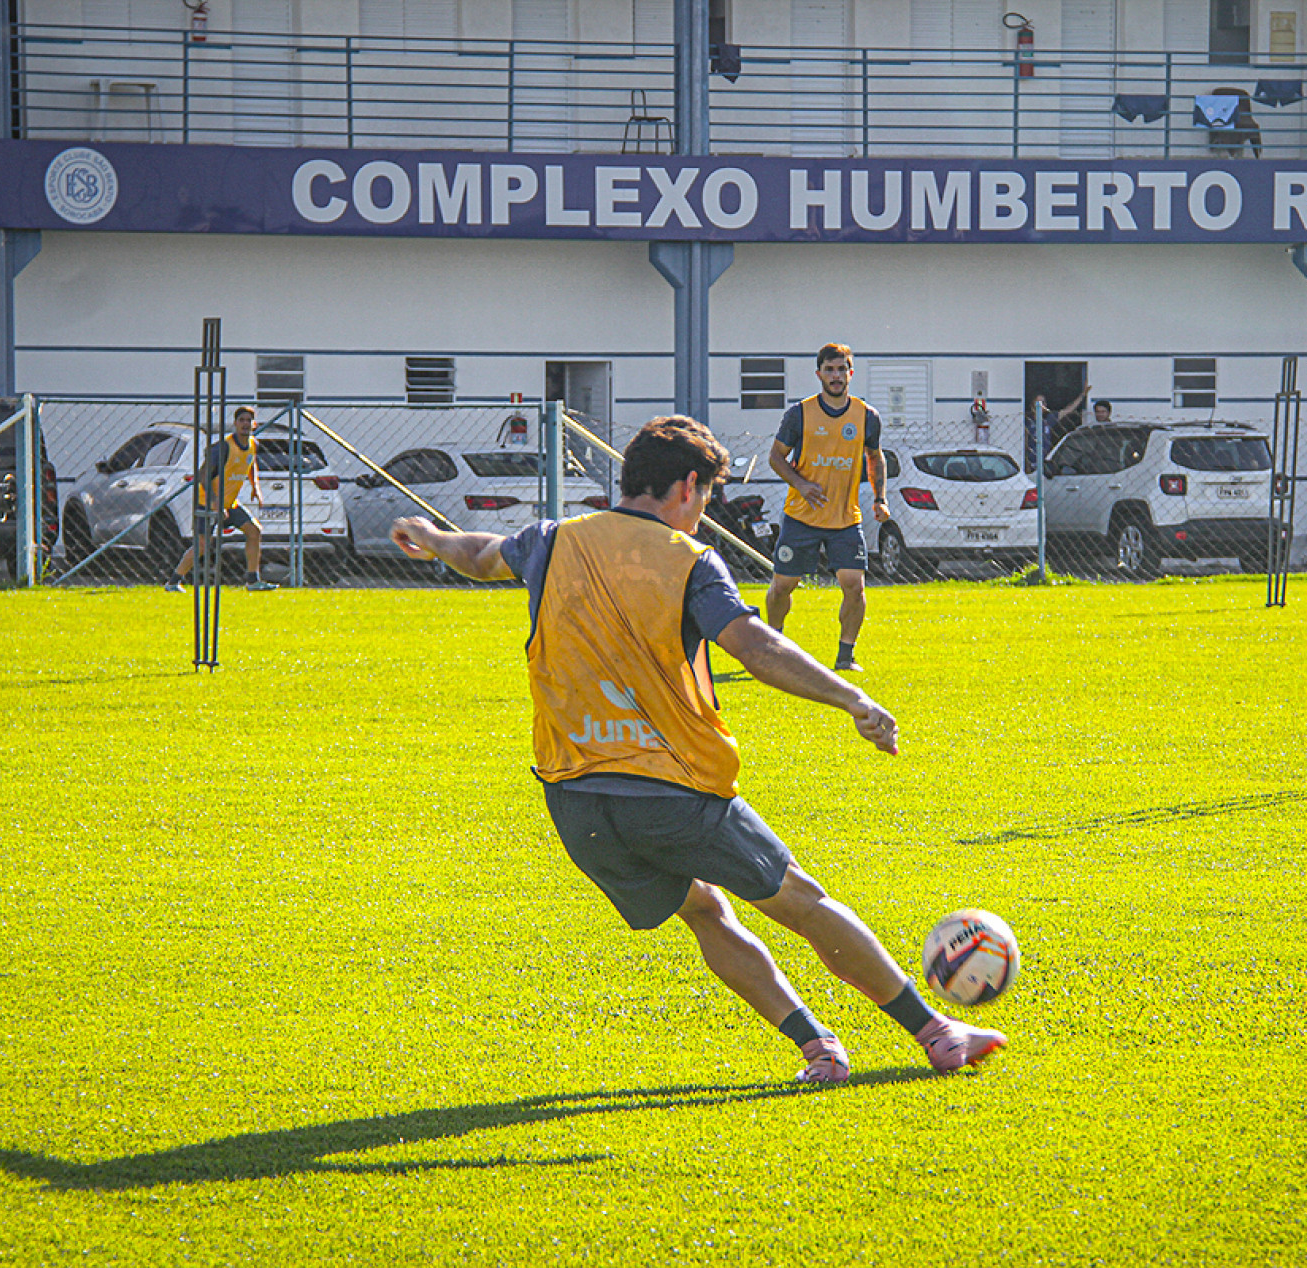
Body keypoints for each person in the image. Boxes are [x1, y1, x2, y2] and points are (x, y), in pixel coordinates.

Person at [387, 416, 1005, 1084]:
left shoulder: (553, 539)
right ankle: (938, 1033)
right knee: (802, 901)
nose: (702, 510)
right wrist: (853, 699)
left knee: (704, 911)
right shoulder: (688, 560)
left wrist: (432, 537)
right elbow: (755, 646)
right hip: (671, 791)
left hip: (576, 802)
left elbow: (482, 555)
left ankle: (818, 1048)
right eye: (705, 495)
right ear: (687, 486)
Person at [765, 343, 888, 673]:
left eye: (841, 369)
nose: (836, 376)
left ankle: (846, 656)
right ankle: (773, 644)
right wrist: (801, 485)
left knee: (854, 586)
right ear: (819, 374)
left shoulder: (866, 416)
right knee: (783, 586)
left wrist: (880, 498)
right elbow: (776, 457)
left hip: (845, 519)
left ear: (851, 373)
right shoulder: (800, 414)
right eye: (829, 370)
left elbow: (874, 457)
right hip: (801, 517)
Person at [164, 404, 277, 592]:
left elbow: (251, 463)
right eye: (241, 420)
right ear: (235, 423)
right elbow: (203, 476)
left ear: (254, 424)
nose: (245, 424)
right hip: (207, 502)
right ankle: (173, 582)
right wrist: (214, 501)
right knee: (202, 545)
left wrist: (255, 486)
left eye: (249, 421)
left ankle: (253, 581)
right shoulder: (223, 447)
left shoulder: (253, 444)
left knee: (254, 531)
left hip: (230, 504)